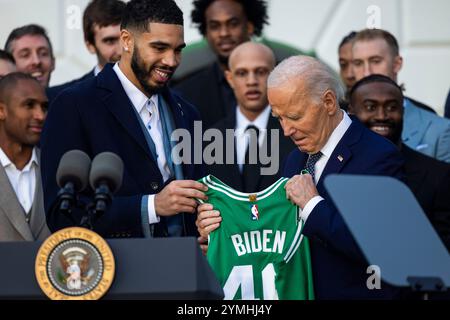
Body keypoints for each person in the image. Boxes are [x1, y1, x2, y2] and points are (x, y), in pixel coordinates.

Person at [197, 55, 406, 299]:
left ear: (328, 102)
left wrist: (312, 205)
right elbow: (277, 236)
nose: (286, 130)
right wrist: (220, 233)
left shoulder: (378, 156)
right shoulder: (295, 159)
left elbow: (378, 245)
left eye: (295, 117)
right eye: (279, 118)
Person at [40, 0, 207, 239]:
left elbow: (200, 198)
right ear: (127, 41)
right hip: (114, 271)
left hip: (185, 269)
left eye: (178, 49)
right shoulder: (74, 105)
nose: (171, 61)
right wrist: (151, 206)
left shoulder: (187, 112)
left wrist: (203, 234)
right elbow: (61, 214)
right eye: (159, 48)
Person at [348, 74, 450, 250]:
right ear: (351, 111)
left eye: (392, 107)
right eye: (370, 107)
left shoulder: (438, 176)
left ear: (403, 111)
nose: (382, 116)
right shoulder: (334, 170)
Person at [206, 42, 295, 192]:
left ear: (275, 75)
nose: (251, 81)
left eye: (260, 72)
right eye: (242, 73)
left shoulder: (295, 135)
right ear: (229, 78)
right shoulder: (208, 139)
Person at [351, 28, 450, 163]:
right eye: (358, 63)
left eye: (375, 61)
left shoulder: (439, 130)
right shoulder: (339, 123)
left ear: (397, 64)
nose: (367, 72)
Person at [173, 0, 269, 128]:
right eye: (214, 26)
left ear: (250, 26)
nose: (224, 33)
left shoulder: (283, 80)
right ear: (206, 33)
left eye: (233, 24)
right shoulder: (184, 95)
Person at [0, 72, 50, 241]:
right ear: (1, 110)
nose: (40, 116)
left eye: (44, 107)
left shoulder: (57, 170)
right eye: (29, 105)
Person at [47, 0, 126, 102]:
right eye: (110, 41)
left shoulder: (152, 90)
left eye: (126, 38)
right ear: (90, 46)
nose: (121, 51)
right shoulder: (62, 97)